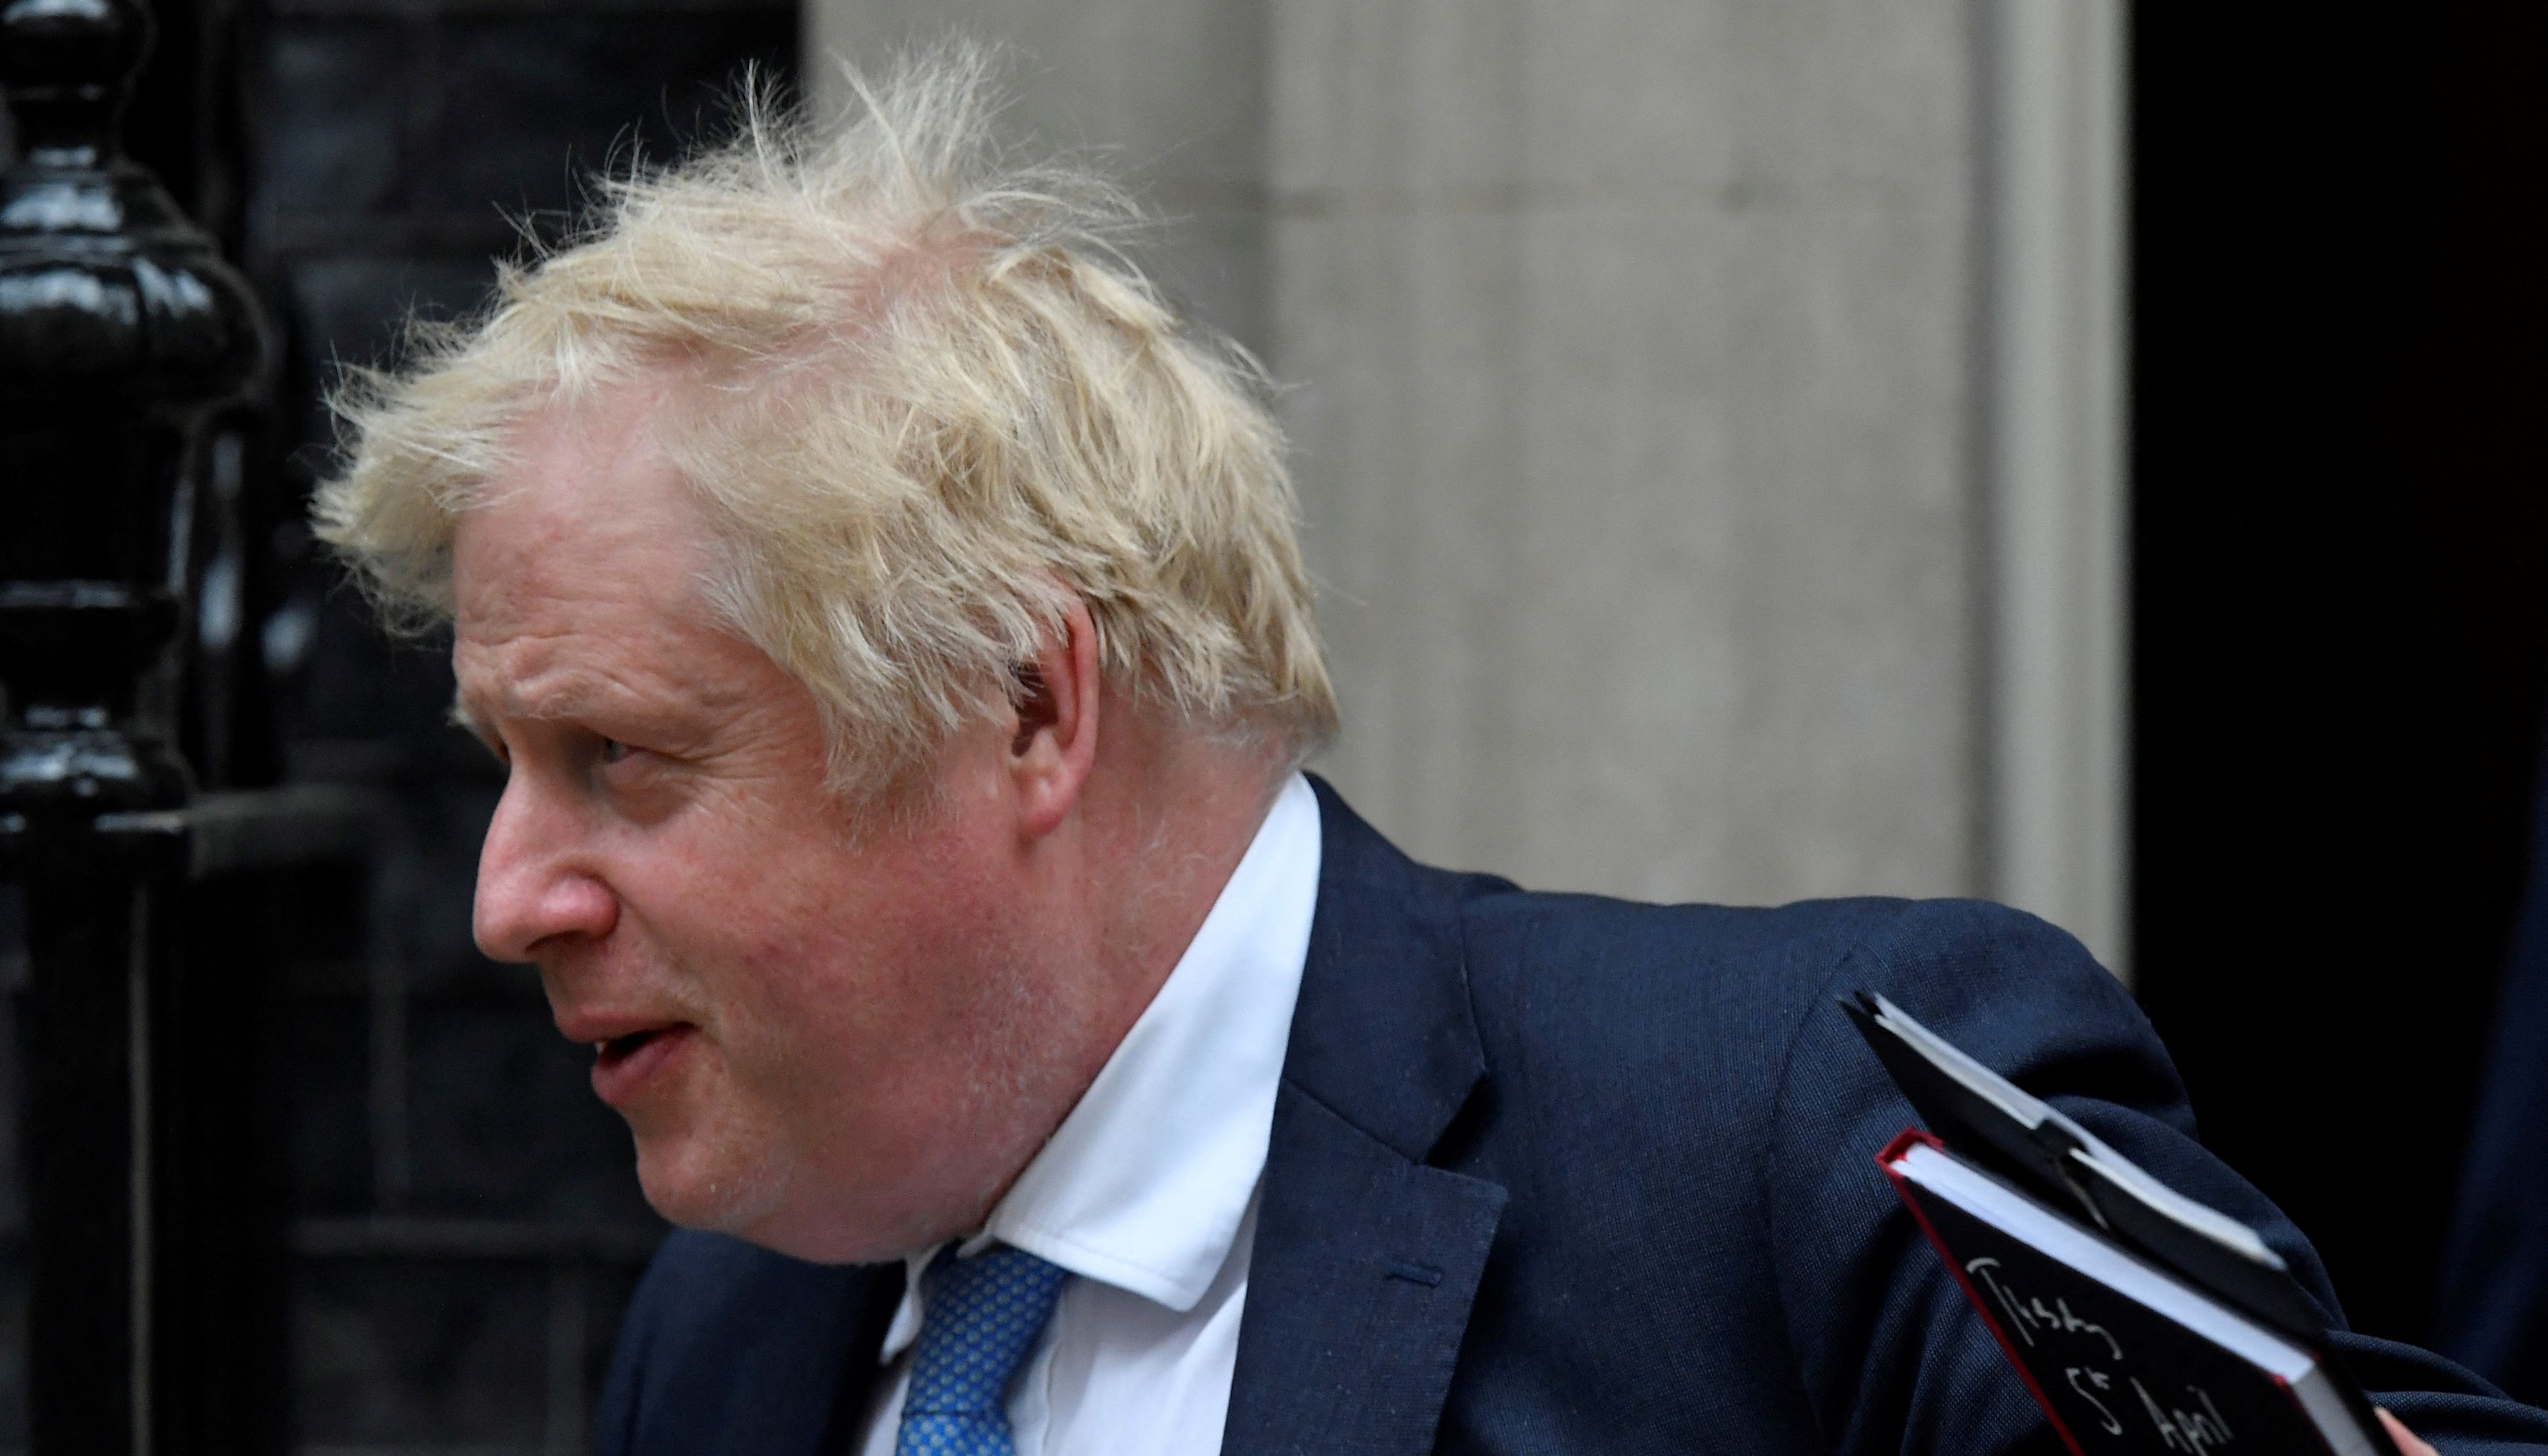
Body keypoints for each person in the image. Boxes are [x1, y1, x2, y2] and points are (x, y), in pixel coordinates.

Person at [313, 50, 2531, 1456]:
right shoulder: (726, 1337)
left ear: (1022, 703)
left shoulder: (1789, 1139)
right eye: (509, 763)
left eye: (621, 757)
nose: (515, 893)